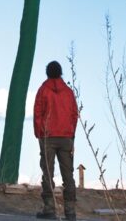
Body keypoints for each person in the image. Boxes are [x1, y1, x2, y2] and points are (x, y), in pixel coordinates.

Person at [34, 61, 78, 221]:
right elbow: (74, 114)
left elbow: (37, 113)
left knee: (48, 173)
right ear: (60, 73)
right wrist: (72, 134)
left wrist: (40, 133)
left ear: (47, 73)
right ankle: (70, 211)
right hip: (66, 137)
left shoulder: (43, 90)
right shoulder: (68, 92)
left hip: (48, 136)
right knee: (68, 175)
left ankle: (49, 208)